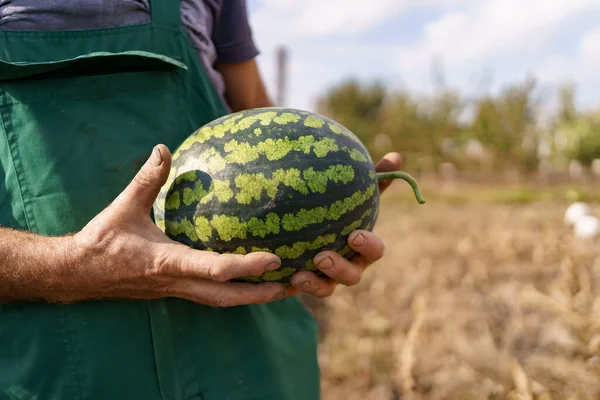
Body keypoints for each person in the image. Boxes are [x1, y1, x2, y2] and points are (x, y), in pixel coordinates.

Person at [0, 1, 402, 399]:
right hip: (54, 361)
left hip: (240, 351)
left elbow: (258, 116)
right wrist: (71, 267)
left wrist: (326, 204)